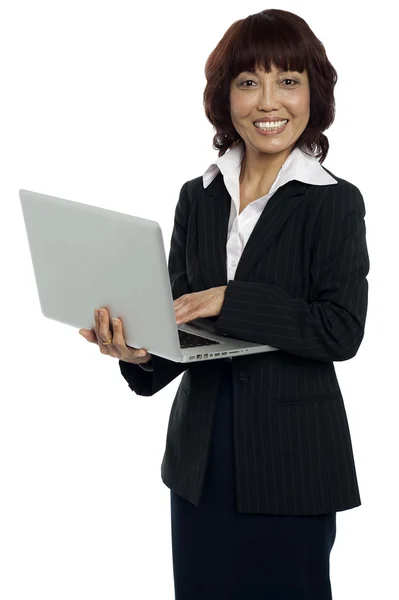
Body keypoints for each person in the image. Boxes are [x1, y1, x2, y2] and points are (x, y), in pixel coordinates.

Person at [79, 8, 369, 600]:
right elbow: (180, 327)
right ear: (225, 98)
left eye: (289, 80)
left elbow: (341, 330)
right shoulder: (198, 197)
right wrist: (137, 351)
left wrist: (234, 300)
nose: (269, 102)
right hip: (200, 465)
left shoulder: (334, 202)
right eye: (248, 82)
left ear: (314, 92)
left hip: (293, 464)